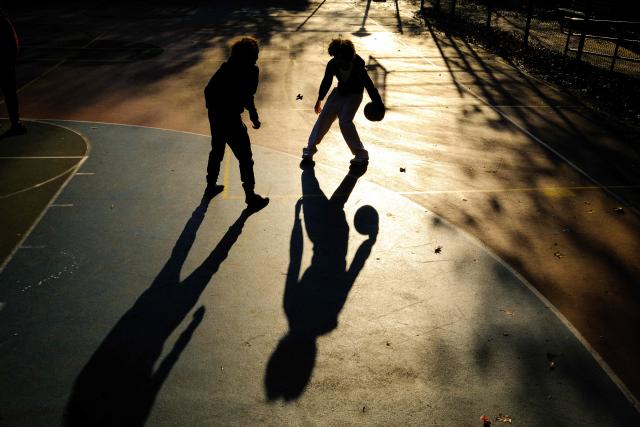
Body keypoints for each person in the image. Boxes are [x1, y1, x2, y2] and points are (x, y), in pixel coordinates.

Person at [204, 36, 268, 211]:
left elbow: (208, 91)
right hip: (230, 118)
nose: (257, 58)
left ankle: (210, 186)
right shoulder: (251, 71)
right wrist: (252, 115)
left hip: (216, 116)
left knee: (217, 150)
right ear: (250, 56)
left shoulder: (225, 68)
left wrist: (215, 111)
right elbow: (248, 96)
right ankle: (250, 196)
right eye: (255, 55)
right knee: (245, 158)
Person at [302, 38, 384, 165]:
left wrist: (378, 103)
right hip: (339, 92)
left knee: (344, 121)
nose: (337, 61)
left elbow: (369, 85)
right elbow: (327, 81)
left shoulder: (357, 65)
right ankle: (310, 149)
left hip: (355, 95)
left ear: (348, 57)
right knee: (324, 116)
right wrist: (320, 98)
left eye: (339, 58)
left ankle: (361, 153)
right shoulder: (333, 64)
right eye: (335, 57)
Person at [0, 9, 26, 136]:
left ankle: (15, 123)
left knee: (10, 96)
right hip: (6, 64)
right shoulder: (5, 23)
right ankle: (15, 124)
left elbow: (13, 42)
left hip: (6, 63)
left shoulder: (5, 23)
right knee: (10, 96)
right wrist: (11, 60)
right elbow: (13, 42)